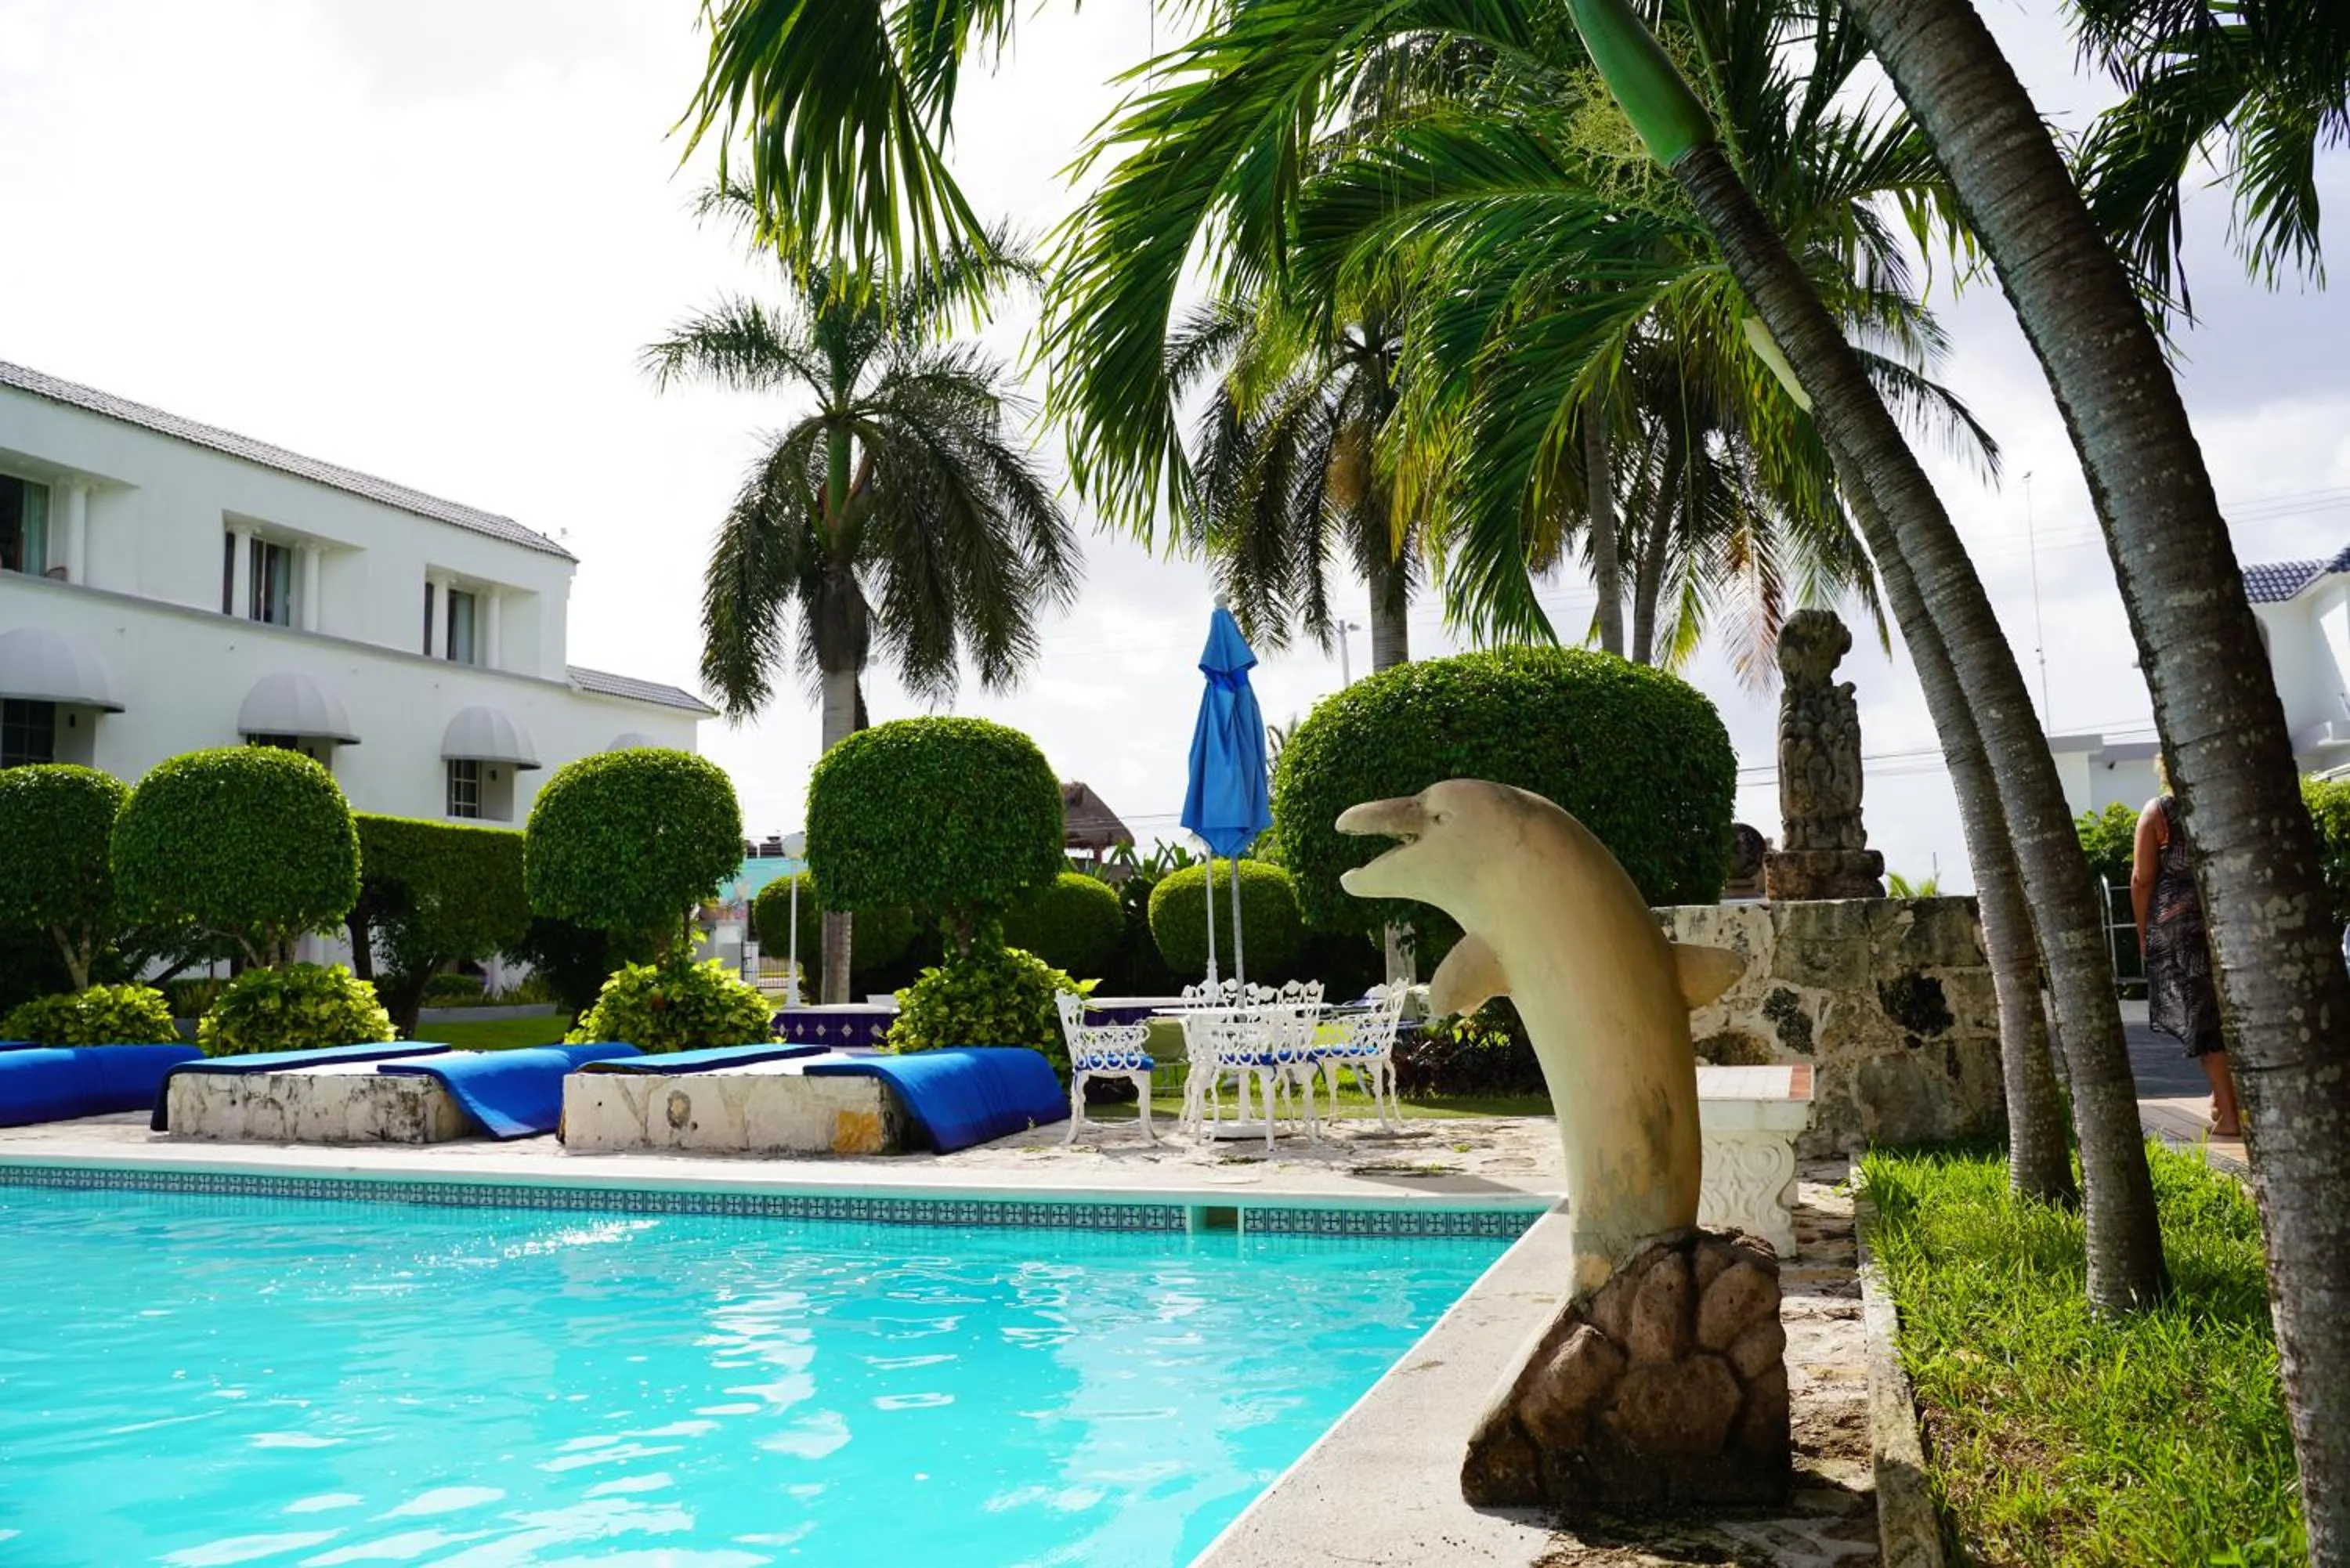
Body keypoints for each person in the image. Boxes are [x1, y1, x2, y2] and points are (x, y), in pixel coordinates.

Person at [2132, 758, 2240, 1136]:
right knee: (2231, 1014)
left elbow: (2142, 879)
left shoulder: (2160, 811)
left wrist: (2144, 935)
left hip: (2179, 925)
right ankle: (2223, 1098)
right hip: (2232, 916)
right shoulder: (2226, 801)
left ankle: (2229, 1115)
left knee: (2205, 1019)